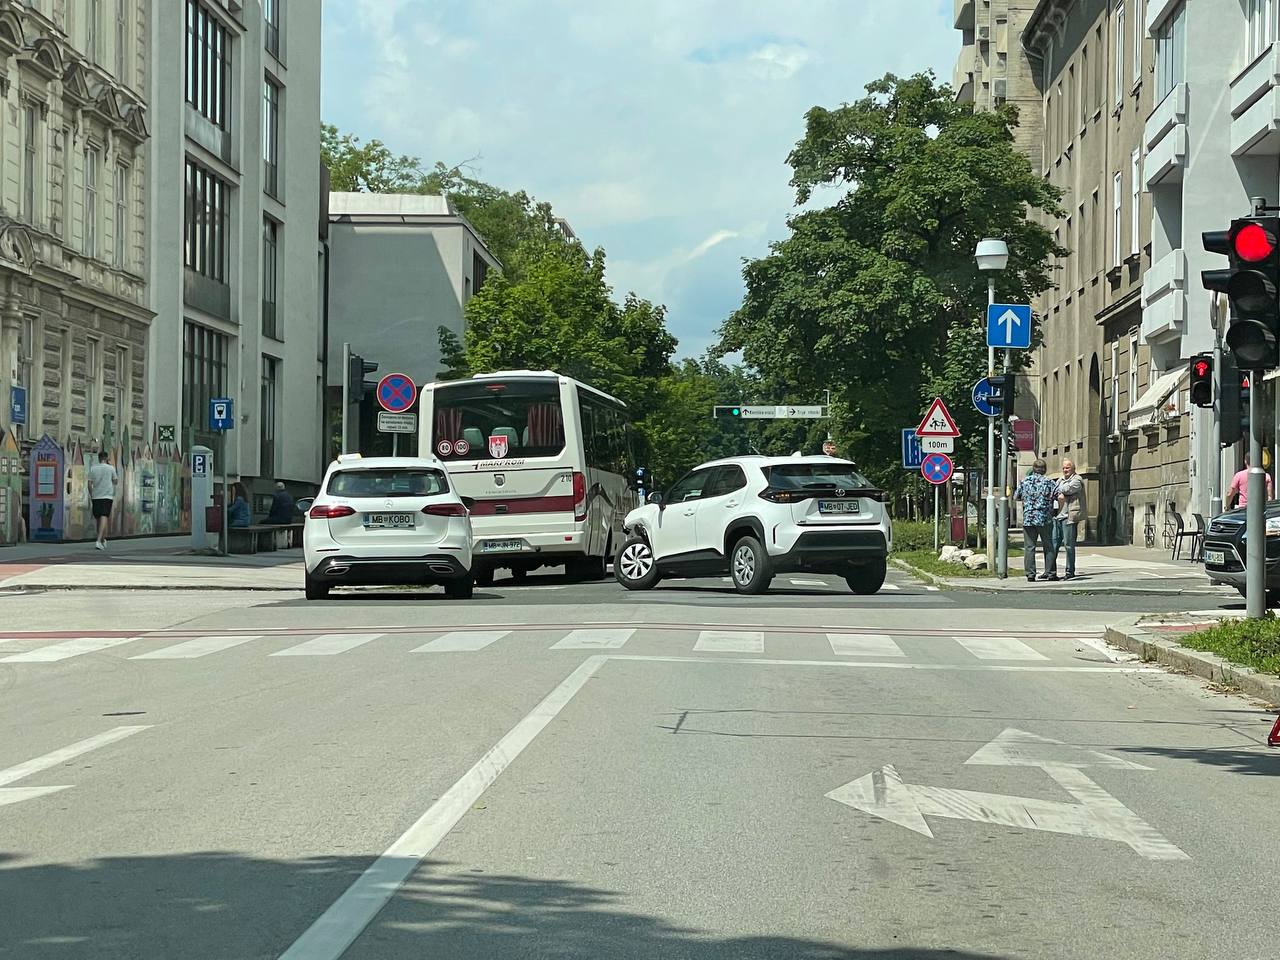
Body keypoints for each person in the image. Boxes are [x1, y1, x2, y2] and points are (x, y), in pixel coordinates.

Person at [1014, 459, 1058, 582]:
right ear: (1045, 469)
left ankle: (1030, 574)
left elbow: (1016, 497)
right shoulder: (1049, 482)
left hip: (1028, 518)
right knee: (1048, 545)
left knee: (1029, 547)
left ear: (1033, 469)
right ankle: (1050, 573)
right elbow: (1058, 496)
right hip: (1044, 518)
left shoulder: (1025, 481)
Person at [1048, 459, 1086, 581]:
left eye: (1067, 468)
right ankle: (1051, 572)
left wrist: (1060, 490)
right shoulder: (1060, 479)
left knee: (1069, 546)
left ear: (1073, 468)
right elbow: (1054, 490)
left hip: (1069, 518)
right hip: (1057, 517)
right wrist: (1059, 490)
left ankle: (1070, 571)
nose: (1065, 470)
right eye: (1064, 468)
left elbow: (1069, 489)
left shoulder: (1077, 479)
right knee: (1053, 545)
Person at [87, 450, 118, 551]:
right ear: (107, 458)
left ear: (99, 458)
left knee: (98, 518)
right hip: (107, 496)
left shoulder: (93, 468)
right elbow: (115, 481)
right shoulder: (111, 468)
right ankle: (98, 540)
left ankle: (102, 540)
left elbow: (89, 484)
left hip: (96, 496)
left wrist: (92, 494)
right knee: (104, 516)